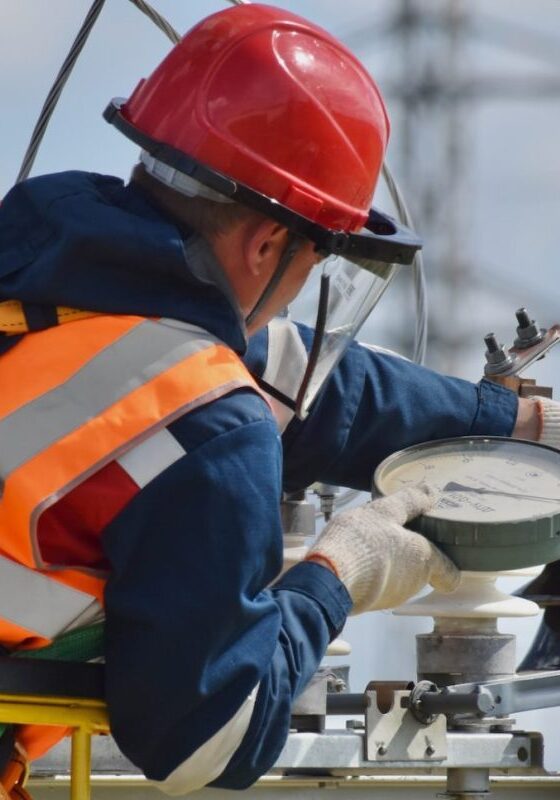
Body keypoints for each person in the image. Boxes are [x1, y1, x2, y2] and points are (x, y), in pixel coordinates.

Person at [0, 3, 558, 795]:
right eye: (317, 260)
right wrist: (340, 574)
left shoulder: (48, 284)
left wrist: (519, 426)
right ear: (267, 244)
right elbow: (210, 740)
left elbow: (317, 386)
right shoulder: (202, 418)